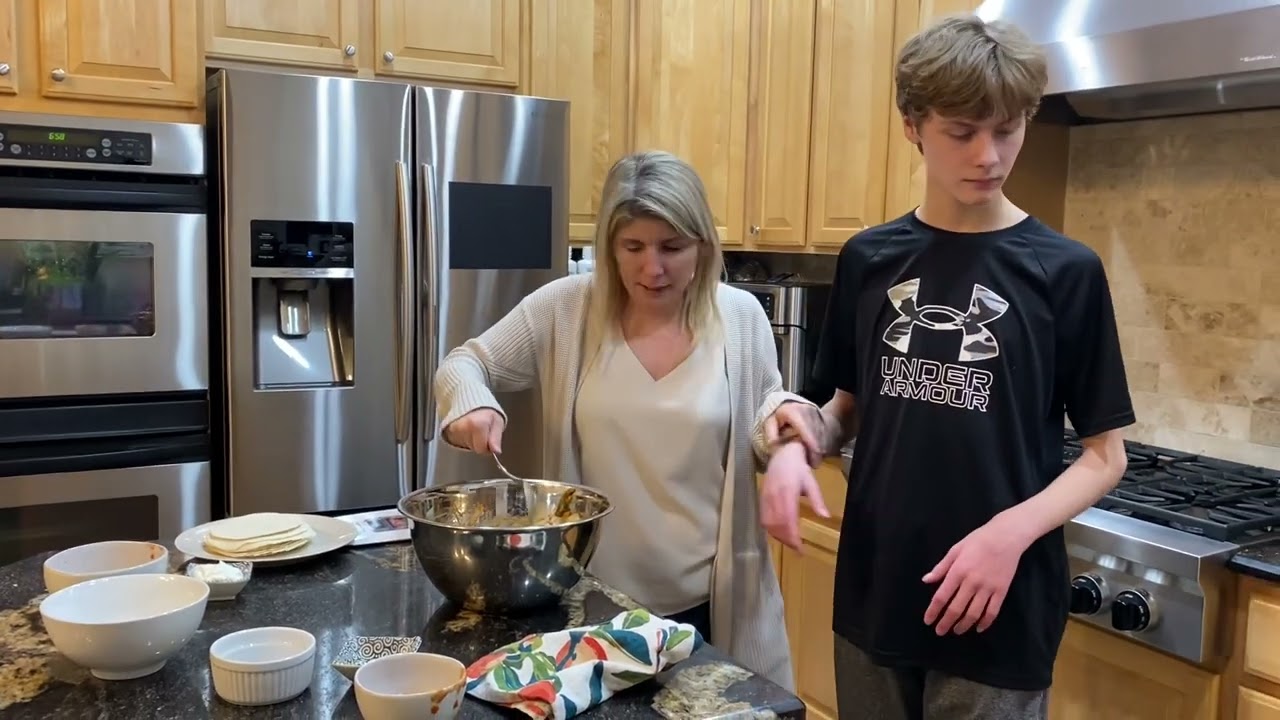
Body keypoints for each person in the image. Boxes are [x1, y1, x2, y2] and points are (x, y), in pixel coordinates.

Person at [756, 14, 1136, 720]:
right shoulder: (870, 260)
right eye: (963, 131)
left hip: (999, 603)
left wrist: (1007, 534)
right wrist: (793, 447)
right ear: (913, 125)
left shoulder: (1066, 273)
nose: (989, 154)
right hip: (877, 589)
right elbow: (844, 408)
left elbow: (1105, 457)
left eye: (1009, 129)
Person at [433, 149, 800, 690]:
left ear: (702, 243)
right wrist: (471, 399)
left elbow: (769, 410)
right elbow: (466, 362)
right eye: (633, 247)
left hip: (709, 612)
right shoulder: (566, 309)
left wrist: (790, 441)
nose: (653, 268)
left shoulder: (740, 318)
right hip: (593, 614)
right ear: (609, 246)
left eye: (672, 247)